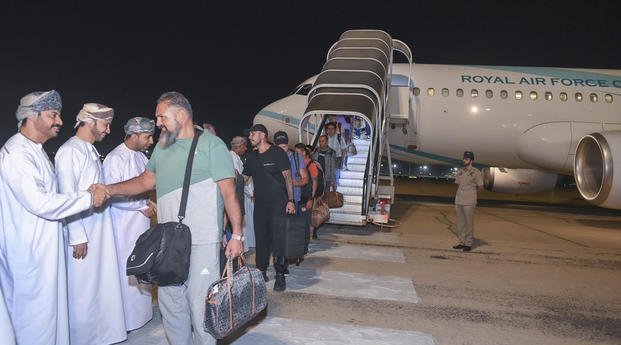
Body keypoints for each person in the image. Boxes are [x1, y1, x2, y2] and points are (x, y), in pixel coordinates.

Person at [105, 91, 243, 345]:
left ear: (181, 114)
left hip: (202, 239)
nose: (158, 123)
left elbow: (229, 192)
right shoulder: (162, 146)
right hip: (168, 241)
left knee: (201, 302)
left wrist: (236, 234)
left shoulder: (212, 145)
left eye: (161, 116)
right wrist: (109, 189)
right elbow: (146, 181)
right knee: (171, 303)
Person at [0, 90, 109, 345]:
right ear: (33, 116)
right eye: (53, 115)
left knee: (49, 317)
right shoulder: (18, 153)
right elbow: (40, 202)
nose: (59, 121)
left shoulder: (34, 150)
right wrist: (88, 198)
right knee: (35, 321)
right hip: (29, 254)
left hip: (43, 250)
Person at [55, 102, 127, 344]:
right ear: (90, 121)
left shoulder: (90, 149)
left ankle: (103, 335)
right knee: (83, 290)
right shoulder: (69, 151)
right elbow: (66, 196)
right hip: (83, 233)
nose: (108, 130)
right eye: (105, 124)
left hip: (100, 228)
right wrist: (77, 236)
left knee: (101, 285)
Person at [102, 117, 157, 332]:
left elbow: (144, 187)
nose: (151, 140)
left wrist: (148, 202)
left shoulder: (141, 157)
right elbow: (111, 194)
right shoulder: (115, 158)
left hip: (141, 224)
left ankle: (142, 315)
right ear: (133, 135)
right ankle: (127, 319)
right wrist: (140, 206)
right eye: (147, 136)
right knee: (128, 268)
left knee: (143, 266)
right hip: (124, 225)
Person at [242, 124, 295, 292]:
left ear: (262, 135)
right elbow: (243, 179)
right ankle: (261, 271)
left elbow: (288, 177)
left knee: (278, 240)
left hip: (279, 205)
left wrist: (291, 200)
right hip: (260, 206)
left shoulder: (278, 153)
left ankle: (280, 275)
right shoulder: (251, 157)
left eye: (253, 133)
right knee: (261, 240)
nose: (250, 136)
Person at [452, 151, 484, 252]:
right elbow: (458, 183)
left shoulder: (476, 172)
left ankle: (468, 243)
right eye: (464, 158)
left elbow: (481, 187)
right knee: (460, 223)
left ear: (471, 160)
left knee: (469, 223)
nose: (464, 160)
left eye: (466, 159)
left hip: (469, 202)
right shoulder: (460, 171)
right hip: (459, 200)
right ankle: (462, 242)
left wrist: (472, 195)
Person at [230, 136, 255, 251]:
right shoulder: (232, 158)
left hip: (244, 194)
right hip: (239, 195)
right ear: (239, 147)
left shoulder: (237, 157)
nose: (245, 149)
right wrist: (250, 192)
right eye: (244, 147)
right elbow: (239, 180)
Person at [295, 143, 324, 241]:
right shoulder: (297, 163)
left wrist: (311, 198)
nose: (296, 154)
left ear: (303, 152)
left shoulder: (311, 165)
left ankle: (305, 245)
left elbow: (315, 182)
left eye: (297, 152)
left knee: (305, 222)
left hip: (306, 197)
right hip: (298, 197)